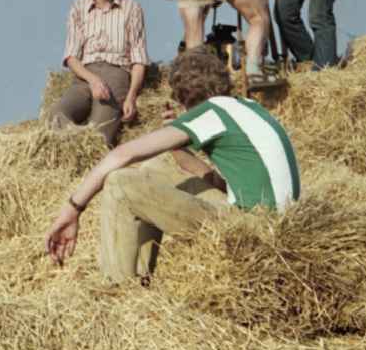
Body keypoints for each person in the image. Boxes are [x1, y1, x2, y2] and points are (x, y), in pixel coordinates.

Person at [45, 50, 300, 282]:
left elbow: (122, 155)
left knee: (120, 183)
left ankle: (117, 291)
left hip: (251, 232)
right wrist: (176, 141)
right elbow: (215, 181)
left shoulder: (210, 113)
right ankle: (142, 277)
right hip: (277, 225)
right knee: (156, 167)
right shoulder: (246, 107)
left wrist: (73, 209)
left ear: (182, 97)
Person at [48, 0, 148, 148]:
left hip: (116, 75)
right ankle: (72, 152)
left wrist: (131, 97)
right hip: (85, 77)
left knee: (98, 136)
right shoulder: (78, 8)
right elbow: (71, 57)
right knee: (54, 115)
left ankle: (90, 161)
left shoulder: (131, 8)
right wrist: (93, 80)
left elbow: (139, 60)